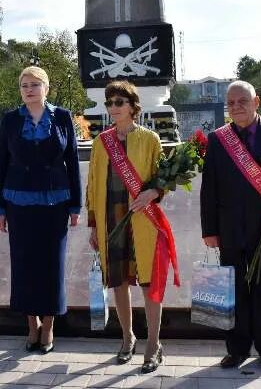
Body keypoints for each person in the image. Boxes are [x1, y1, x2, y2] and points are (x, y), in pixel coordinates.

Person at [200, 80, 261, 373]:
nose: (236, 107)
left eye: (242, 101)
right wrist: (210, 231)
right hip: (230, 230)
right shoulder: (218, 139)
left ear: (257, 101)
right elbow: (210, 189)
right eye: (230, 103)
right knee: (235, 291)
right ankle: (237, 349)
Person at [87, 80, 177, 374]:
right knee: (119, 281)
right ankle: (128, 337)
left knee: (150, 282)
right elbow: (91, 185)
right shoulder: (102, 142)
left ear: (133, 106)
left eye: (119, 103)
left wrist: (153, 192)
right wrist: (92, 224)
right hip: (111, 219)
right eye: (109, 103)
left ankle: (154, 344)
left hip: (143, 221)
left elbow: (163, 177)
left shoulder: (150, 139)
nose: (113, 108)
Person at [0, 66, 81, 354]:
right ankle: (31, 327)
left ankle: (50, 326)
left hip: (56, 203)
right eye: (24, 85)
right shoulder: (10, 120)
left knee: (52, 266)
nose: (28, 90)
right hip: (19, 204)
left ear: (46, 88)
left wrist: (76, 206)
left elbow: (73, 162)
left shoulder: (63, 117)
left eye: (34, 84)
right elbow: (1, 165)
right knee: (25, 266)